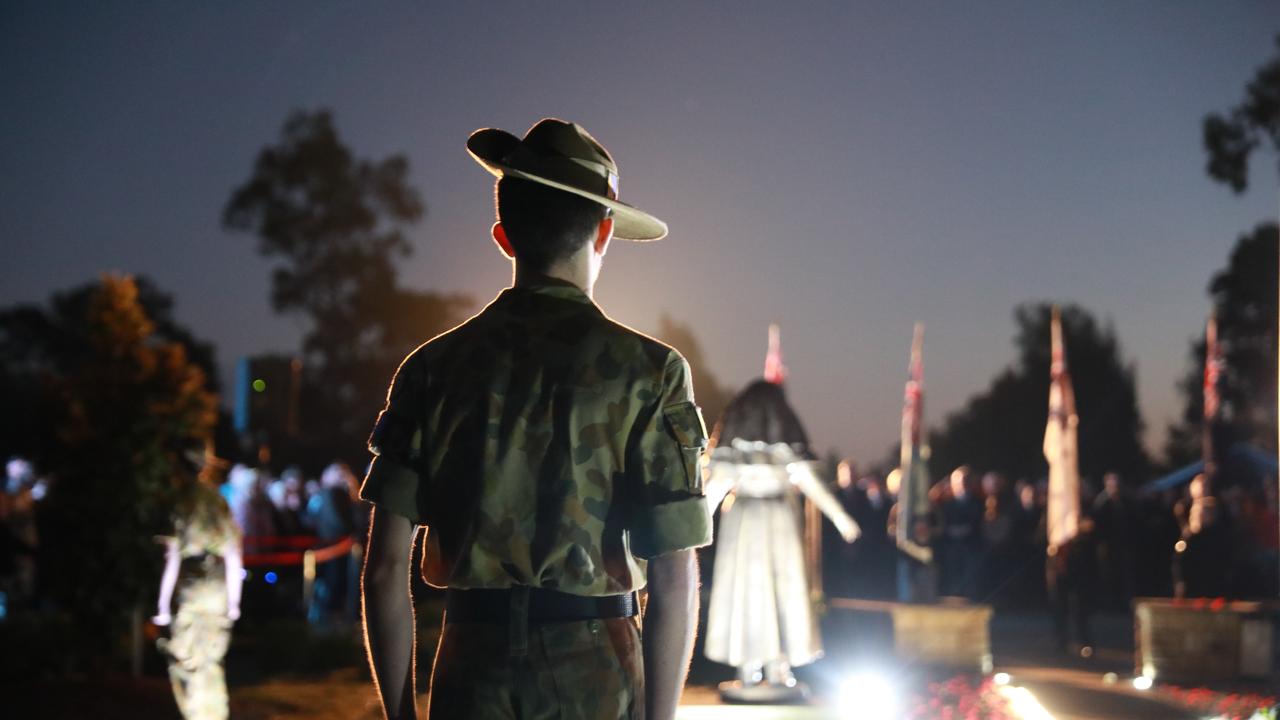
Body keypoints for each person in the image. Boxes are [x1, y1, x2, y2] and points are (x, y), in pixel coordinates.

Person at [359, 118, 711, 720]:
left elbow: (386, 568)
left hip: (471, 667)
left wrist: (399, 715)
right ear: (603, 233)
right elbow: (674, 576)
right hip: (595, 668)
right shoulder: (649, 372)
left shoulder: (431, 369)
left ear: (504, 237)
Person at [153, 447, 244, 720]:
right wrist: (234, 601)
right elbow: (233, 554)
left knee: (187, 660)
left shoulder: (178, 502)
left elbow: (171, 558)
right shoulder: (217, 500)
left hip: (190, 585)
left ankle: (194, 714)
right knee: (212, 660)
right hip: (216, 586)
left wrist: (162, 604)